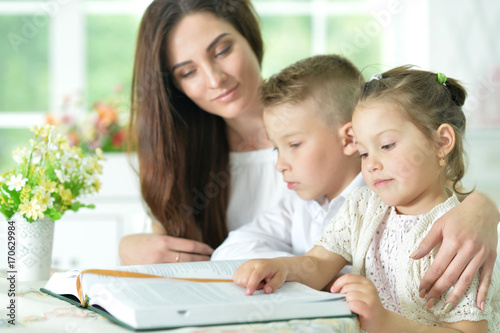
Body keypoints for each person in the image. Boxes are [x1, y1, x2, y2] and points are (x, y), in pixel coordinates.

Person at [119, 0, 500, 309]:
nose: (214, 79)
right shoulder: (188, 155)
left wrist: (484, 207)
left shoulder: (325, 116)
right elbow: (211, 251)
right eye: (187, 72)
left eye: (222, 50)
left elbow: (434, 188)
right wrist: (126, 247)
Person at [233, 66, 500, 332]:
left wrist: (385, 323)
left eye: (386, 146)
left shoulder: (460, 237)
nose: (371, 164)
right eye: (363, 153)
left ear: (442, 142)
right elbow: (319, 264)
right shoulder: (363, 206)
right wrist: (281, 267)